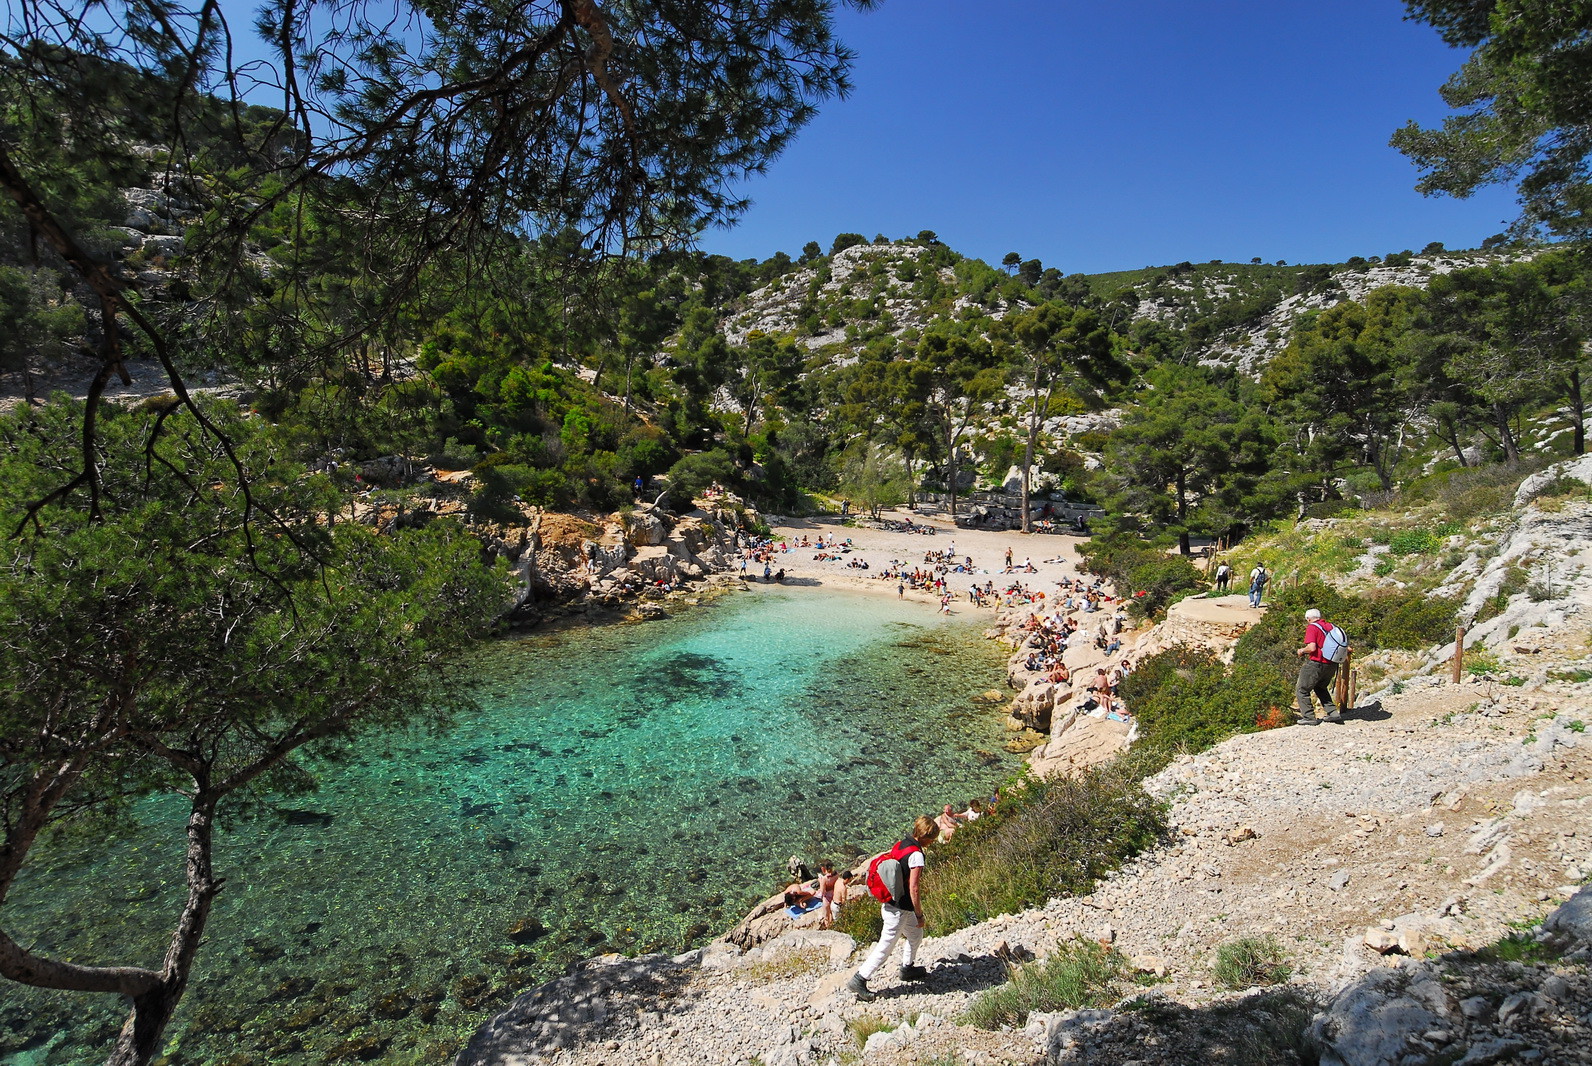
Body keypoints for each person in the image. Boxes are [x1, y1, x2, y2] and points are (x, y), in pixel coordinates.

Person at [848, 816, 940, 1000]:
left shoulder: (902, 843)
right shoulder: (917, 855)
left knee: (915, 934)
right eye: (932, 839)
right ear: (925, 837)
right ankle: (859, 979)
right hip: (899, 909)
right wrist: (920, 914)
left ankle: (907, 968)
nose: (932, 842)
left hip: (892, 901)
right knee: (886, 946)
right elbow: (914, 888)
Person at [1295, 607, 1345, 725]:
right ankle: (1333, 713)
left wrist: (1302, 650)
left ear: (1308, 619)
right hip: (1332, 664)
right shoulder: (1331, 626)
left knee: (1302, 689)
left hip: (1316, 663)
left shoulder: (1312, 627)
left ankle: (1309, 717)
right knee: (1320, 687)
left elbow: (1312, 647)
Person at [817, 860, 844, 928]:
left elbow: (822, 891)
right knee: (833, 913)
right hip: (834, 895)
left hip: (827, 898)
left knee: (826, 916)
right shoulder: (836, 874)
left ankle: (829, 928)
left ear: (823, 868)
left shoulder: (825, 879)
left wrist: (820, 881)